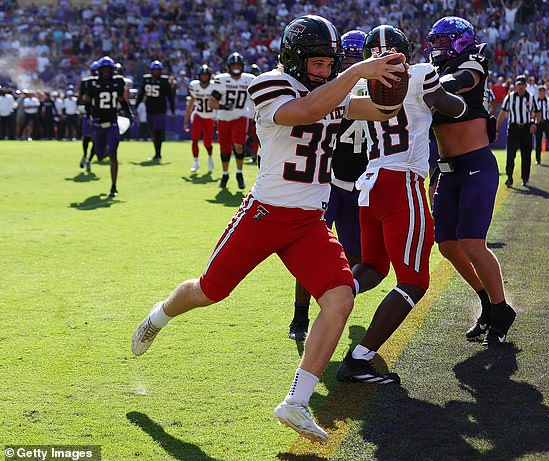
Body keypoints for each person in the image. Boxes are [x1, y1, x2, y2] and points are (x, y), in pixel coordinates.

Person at [132, 14, 407, 441]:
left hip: (309, 222)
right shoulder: (268, 84)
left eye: (331, 62)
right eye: (317, 63)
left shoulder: (334, 87)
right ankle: (158, 316)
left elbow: (381, 110)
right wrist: (356, 72)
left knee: (340, 298)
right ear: (295, 59)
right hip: (264, 214)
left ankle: (296, 401)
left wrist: (391, 81)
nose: (326, 70)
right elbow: (307, 110)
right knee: (210, 290)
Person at [335, 24, 467, 384]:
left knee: (373, 268)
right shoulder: (421, 73)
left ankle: (331, 299)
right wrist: (447, 87)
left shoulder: (361, 85)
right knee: (414, 280)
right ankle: (360, 358)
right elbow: (454, 108)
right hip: (402, 182)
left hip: (370, 185)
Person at [424, 16, 517, 347]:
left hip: (476, 165)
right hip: (447, 170)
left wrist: (434, 85)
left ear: (459, 40)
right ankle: (487, 301)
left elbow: (462, 80)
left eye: (441, 41)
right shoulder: (433, 73)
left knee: (472, 242)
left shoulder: (471, 61)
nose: (435, 48)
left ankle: (501, 308)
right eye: (433, 42)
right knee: (448, 245)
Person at [287, 29, 368, 342]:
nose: (348, 64)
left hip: (360, 182)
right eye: (345, 59)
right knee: (310, 251)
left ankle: (333, 307)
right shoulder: (331, 91)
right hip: (329, 181)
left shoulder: (366, 89)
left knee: (359, 258)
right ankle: (299, 315)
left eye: (354, 59)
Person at [83, 56, 133, 197]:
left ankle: (113, 186)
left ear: (112, 70)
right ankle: (103, 151)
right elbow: (87, 102)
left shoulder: (118, 82)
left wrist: (129, 114)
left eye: (108, 69)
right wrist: (88, 115)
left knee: (113, 154)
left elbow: (122, 100)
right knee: (99, 156)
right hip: (98, 125)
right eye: (103, 69)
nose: (105, 72)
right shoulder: (92, 84)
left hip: (112, 123)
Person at [211, 52, 256, 189]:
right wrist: (223, 106)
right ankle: (225, 174)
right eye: (234, 65)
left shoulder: (249, 79)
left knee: (238, 145)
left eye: (238, 65)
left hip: (240, 118)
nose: (236, 67)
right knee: (224, 149)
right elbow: (212, 102)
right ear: (229, 66)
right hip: (224, 119)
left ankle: (239, 173)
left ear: (242, 66)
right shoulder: (221, 80)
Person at [496, 74, 540, 187]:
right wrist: (496, 128)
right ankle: (509, 177)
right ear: (516, 85)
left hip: (526, 128)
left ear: (526, 85)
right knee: (511, 154)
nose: (520, 87)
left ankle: (525, 178)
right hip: (514, 128)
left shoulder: (531, 97)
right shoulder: (510, 97)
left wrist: (535, 124)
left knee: (526, 155)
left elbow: (538, 112)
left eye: (522, 85)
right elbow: (503, 113)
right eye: (518, 84)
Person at [184, 64, 223, 174]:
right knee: (194, 139)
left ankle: (210, 157)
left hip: (210, 117)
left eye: (206, 75)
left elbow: (219, 102)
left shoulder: (214, 86)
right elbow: (190, 104)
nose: (204, 77)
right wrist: (186, 121)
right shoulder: (194, 85)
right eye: (202, 75)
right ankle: (196, 162)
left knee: (207, 142)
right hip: (198, 115)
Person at [136, 60, 175, 161]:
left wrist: (172, 111)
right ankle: (156, 153)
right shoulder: (146, 79)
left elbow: (170, 97)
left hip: (160, 110)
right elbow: (141, 94)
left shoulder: (164, 81)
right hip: (149, 109)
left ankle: (158, 153)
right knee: (152, 131)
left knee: (158, 131)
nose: (156, 72)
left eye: (158, 70)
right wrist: (136, 107)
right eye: (154, 70)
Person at [79, 61, 98, 171]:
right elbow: (80, 98)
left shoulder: (106, 83)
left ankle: (89, 160)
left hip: (99, 115)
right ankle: (85, 155)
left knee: (96, 140)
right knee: (86, 137)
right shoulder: (86, 83)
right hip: (89, 113)